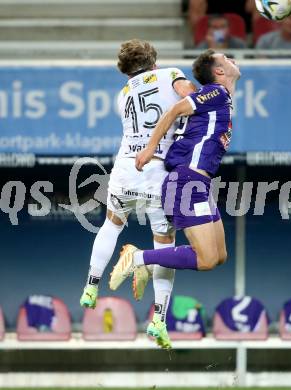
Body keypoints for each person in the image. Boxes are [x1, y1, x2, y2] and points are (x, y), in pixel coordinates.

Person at [109, 49, 241, 348]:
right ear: (219, 72)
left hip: (199, 183)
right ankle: (138, 257)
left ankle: (144, 261)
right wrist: (149, 148)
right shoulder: (216, 93)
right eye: (227, 59)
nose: (234, 60)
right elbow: (172, 111)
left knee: (219, 257)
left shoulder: (220, 97)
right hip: (187, 182)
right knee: (206, 260)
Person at [80, 39, 196, 348]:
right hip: (158, 171)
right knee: (166, 245)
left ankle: (91, 285)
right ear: (154, 60)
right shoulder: (172, 74)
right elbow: (191, 97)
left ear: (125, 71)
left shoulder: (123, 94)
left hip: (125, 169)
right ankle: (158, 319)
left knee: (112, 225)